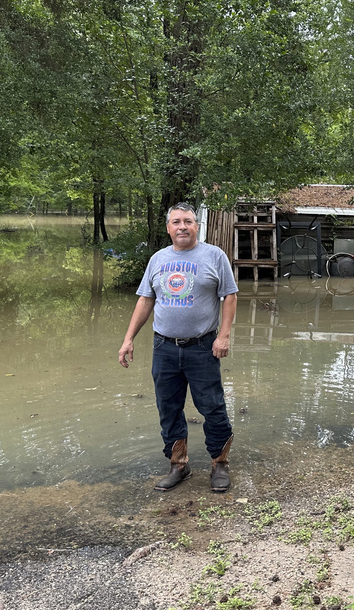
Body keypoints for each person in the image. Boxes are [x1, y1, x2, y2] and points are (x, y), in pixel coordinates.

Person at [118, 202, 238, 492]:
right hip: (164, 348)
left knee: (212, 406)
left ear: (197, 226)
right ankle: (178, 464)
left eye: (188, 221)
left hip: (203, 347)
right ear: (168, 228)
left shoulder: (214, 256)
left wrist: (223, 336)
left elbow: (230, 295)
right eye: (176, 222)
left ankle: (219, 464)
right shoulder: (158, 259)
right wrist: (128, 338)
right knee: (168, 408)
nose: (182, 226)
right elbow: (146, 300)